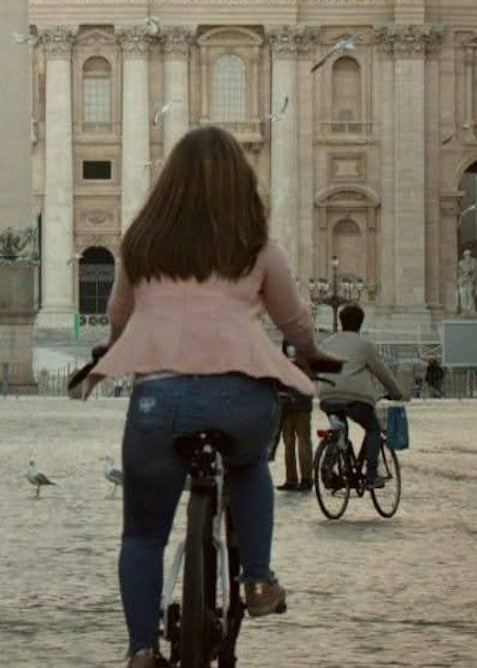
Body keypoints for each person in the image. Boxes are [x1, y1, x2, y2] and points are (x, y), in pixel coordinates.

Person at [86, 125, 336, 666]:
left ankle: (141, 649)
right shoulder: (257, 247)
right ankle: (258, 579)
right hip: (239, 398)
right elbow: (293, 321)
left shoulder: (142, 244)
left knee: (143, 533)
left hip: (158, 401)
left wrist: (112, 348)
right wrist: (311, 352)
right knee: (248, 463)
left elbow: (119, 314)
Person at [318, 303, 405, 490]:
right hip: (354, 398)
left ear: (341, 321)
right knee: (373, 429)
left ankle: (329, 465)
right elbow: (382, 373)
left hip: (327, 396)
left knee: (340, 430)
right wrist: (396, 393)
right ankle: (371, 475)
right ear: (360, 323)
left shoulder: (327, 343)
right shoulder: (365, 345)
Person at [275, 345, 313, 492]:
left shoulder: (282, 360)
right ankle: (306, 478)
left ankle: (291, 479)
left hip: (286, 404)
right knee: (303, 441)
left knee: (289, 442)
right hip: (302, 403)